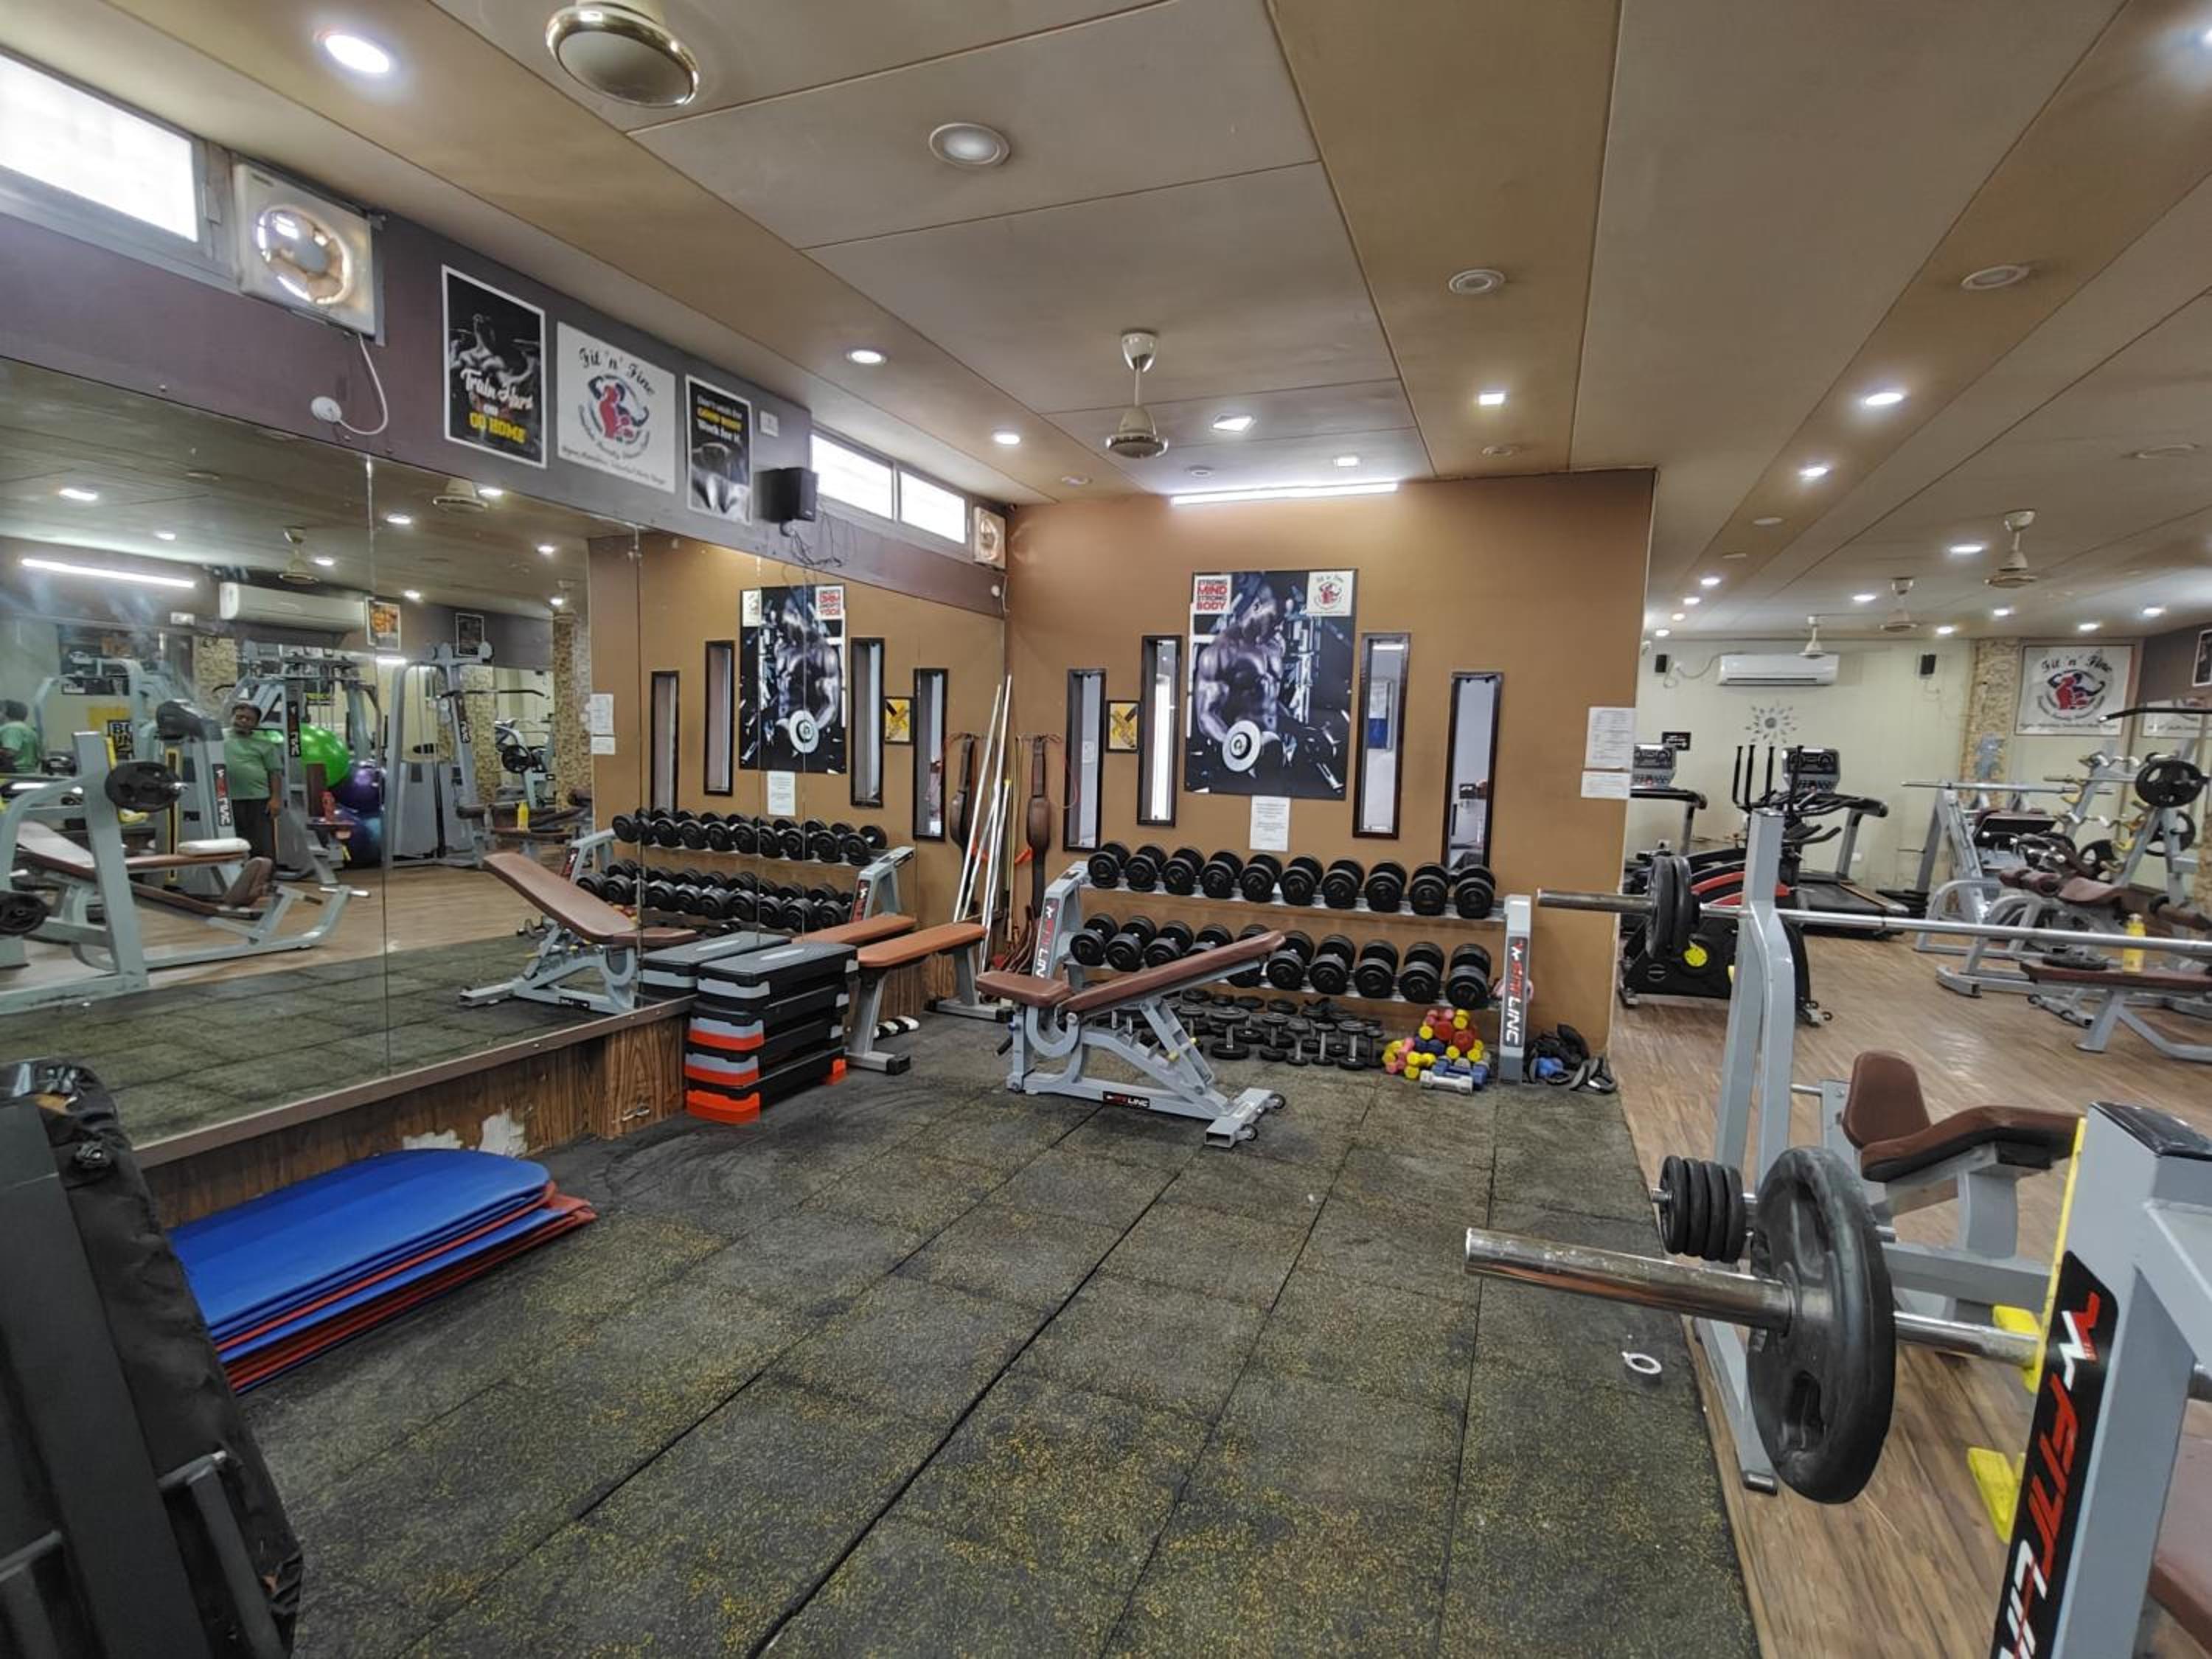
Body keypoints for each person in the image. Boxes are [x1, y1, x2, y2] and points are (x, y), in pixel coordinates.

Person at [224, 703, 279, 863]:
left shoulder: (264, 742)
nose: (243, 721)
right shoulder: (217, 738)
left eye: (249, 719)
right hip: (227, 800)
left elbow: (274, 772)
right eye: (239, 717)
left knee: (261, 843)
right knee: (232, 842)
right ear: (232, 718)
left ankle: (265, 875)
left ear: (256, 723)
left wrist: (275, 799)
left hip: (258, 799)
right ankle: (238, 874)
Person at [0, 700, 38, 775]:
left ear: (5, 712)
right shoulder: (25, 728)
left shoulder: (12, 728)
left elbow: (10, 752)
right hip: (26, 773)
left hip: (11, 774)